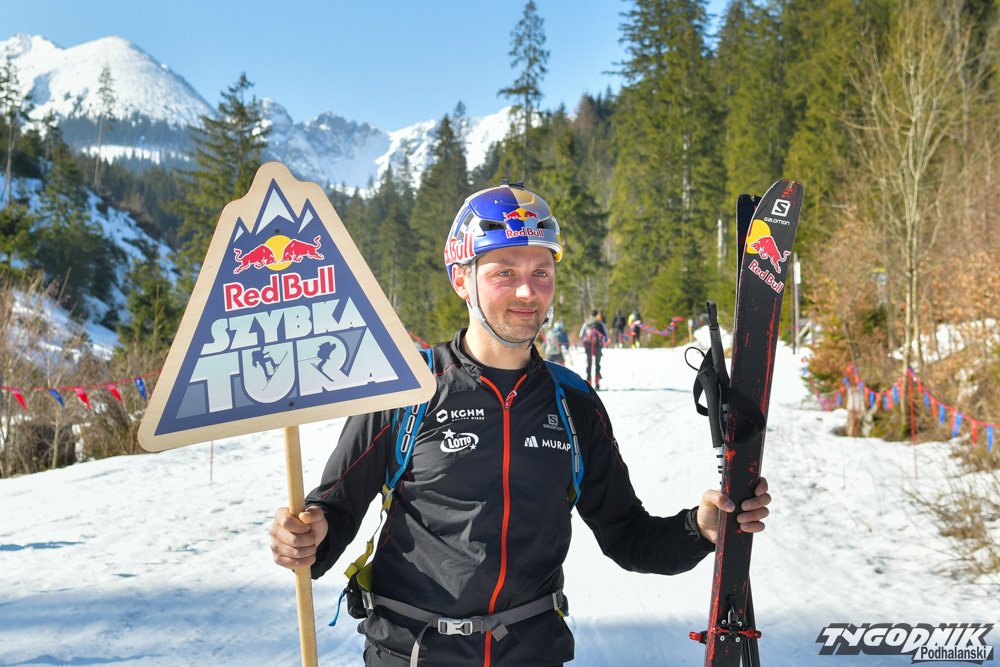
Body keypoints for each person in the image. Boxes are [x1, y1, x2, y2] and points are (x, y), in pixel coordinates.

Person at [269, 183, 771, 667]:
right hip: (412, 652)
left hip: (530, 651)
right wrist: (308, 536)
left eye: (542, 272)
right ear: (461, 279)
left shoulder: (573, 402)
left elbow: (628, 537)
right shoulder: (409, 389)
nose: (528, 291)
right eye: (504, 272)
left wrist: (700, 529)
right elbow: (334, 509)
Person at [578, 310, 609, 390]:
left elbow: (581, 335)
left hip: (588, 346)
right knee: (597, 364)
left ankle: (589, 382)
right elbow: (606, 336)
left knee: (589, 364)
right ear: (597, 315)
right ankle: (597, 382)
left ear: (590, 315)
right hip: (597, 346)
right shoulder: (600, 323)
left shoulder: (586, 323)